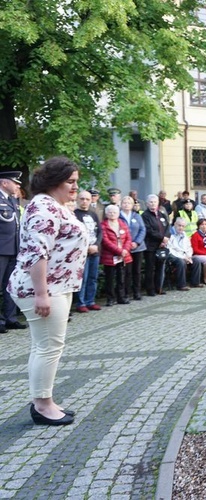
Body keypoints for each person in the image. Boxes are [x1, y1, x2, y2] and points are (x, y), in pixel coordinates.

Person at [9, 157, 87, 425]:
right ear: (54, 181)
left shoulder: (56, 205)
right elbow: (36, 253)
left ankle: (43, 400)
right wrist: (41, 294)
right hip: (42, 288)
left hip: (58, 285)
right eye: (70, 182)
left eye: (76, 181)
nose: (75, 187)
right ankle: (43, 406)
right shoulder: (43, 207)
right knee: (49, 347)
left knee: (43, 346)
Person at [0, 171, 26, 333]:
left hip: (13, 249)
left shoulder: (12, 200)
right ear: (4, 183)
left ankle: (10, 318)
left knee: (10, 286)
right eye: (15, 182)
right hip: (1, 250)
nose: (17, 186)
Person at [73, 190, 102, 313]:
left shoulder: (93, 214)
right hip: (82, 252)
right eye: (82, 199)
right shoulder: (74, 214)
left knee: (93, 277)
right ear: (77, 200)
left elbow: (99, 231)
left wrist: (96, 245)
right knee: (82, 278)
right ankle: (81, 303)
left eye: (87, 199)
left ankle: (91, 301)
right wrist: (86, 247)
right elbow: (75, 234)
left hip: (95, 251)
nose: (85, 201)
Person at [100, 204, 132, 306]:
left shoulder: (122, 224)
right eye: (110, 212)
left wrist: (125, 250)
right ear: (106, 214)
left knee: (121, 278)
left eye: (114, 212)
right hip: (110, 256)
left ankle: (121, 297)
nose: (112, 214)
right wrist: (119, 251)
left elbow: (128, 238)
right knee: (110, 278)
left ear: (118, 214)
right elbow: (105, 241)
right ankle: (110, 298)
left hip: (123, 256)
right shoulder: (103, 225)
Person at [141, 194, 170, 296]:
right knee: (150, 268)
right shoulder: (145, 216)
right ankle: (150, 289)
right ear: (147, 203)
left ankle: (159, 288)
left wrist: (166, 238)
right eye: (151, 202)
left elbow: (167, 227)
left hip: (161, 245)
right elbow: (149, 230)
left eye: (155, 202)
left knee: (160, 268)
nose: (153, 204)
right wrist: (161, 238)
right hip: (150, 246)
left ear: (158, 203)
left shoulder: (161, 214)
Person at [119, 196, 146, 300]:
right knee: (127, 272)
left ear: (132, 205)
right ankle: (126, 293)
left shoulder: (137, 216)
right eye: (124, 203)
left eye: (128, 203)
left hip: (138, 247)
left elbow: (143, 229)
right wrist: (127, 244)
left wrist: (137, 242)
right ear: (121, 204)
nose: (126, 205)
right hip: (125, 248)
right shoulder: (118, 217)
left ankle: (137, 292)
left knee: (137, 271)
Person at [166, 217, 201, 290]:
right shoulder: (169, 234)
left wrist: (189, 256)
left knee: (197, 260)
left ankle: (195, 282)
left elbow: (189, 247)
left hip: (184, 255)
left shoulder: (184, 234)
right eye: (179, 225)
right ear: (175, 224)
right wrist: (183, 257)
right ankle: (181, 285)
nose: (181, 228)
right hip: (172, 255)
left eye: (183, 226)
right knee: (181, 262)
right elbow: (170, 249)